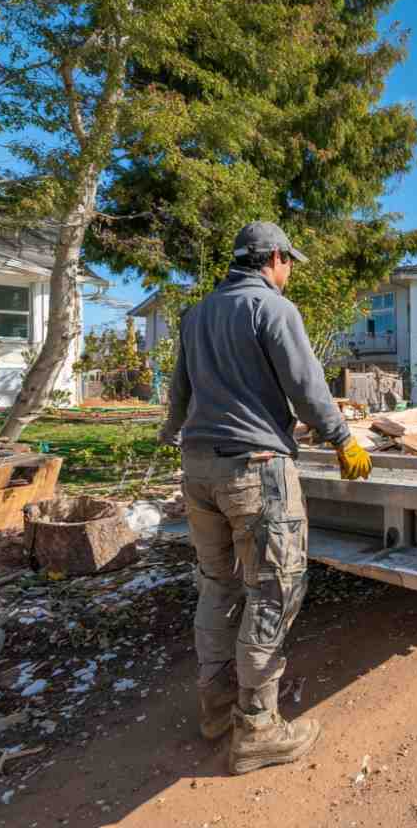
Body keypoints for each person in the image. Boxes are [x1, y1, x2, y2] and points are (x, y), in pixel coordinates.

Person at [159, 220, 372, 774]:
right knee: (274, 589)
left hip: (198, 467)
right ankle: (257, 728)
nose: (291, 270)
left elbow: (180, 391)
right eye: (289, 261)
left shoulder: (197, 314)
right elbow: (306, 386)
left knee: (218, 585)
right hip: (254, 469)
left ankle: (216, 708)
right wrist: (343, 439)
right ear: (274, 257)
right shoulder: (271, 308)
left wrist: (171, 433)